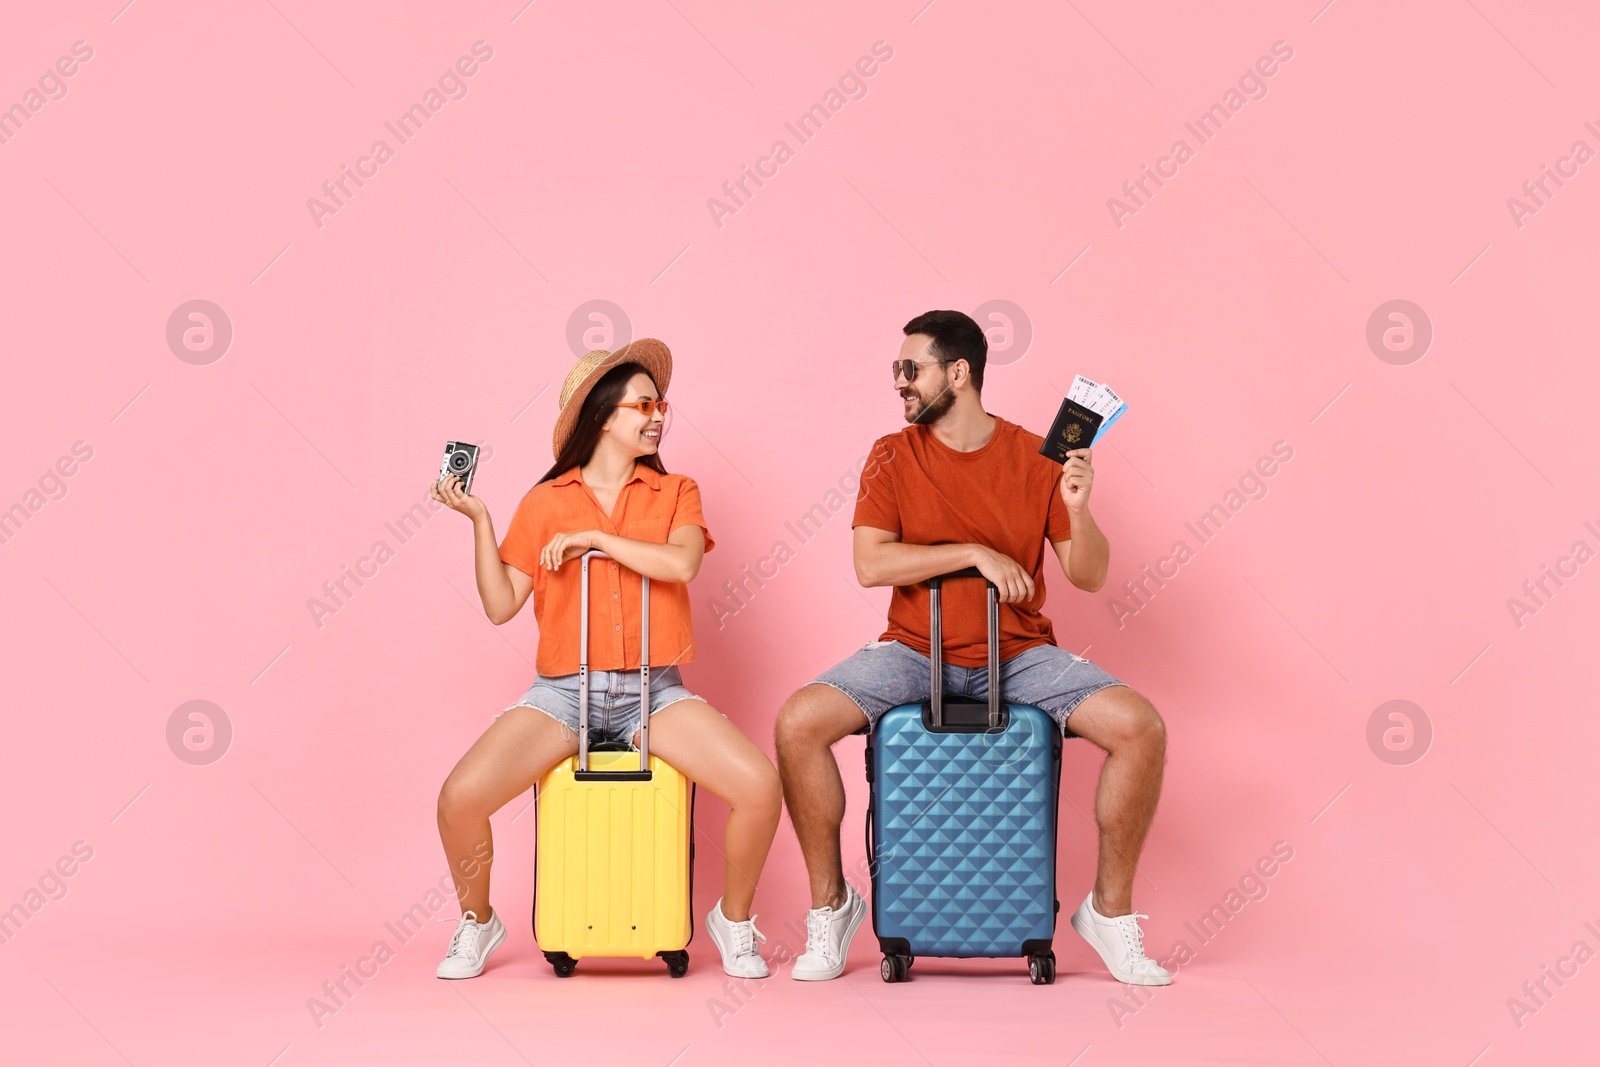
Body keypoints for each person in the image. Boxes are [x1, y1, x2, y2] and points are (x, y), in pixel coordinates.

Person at [773, 310, 1172, 985]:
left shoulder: (1037, 457)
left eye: (912, 369)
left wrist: (1076, 504)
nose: (899, 383)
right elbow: (871, 563)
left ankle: (1109, 912)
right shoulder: (892, 454)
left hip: (1017, 655)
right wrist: (973, 553)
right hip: (913, 651)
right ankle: (831, 906)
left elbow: (1089, 573)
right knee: (797, 722)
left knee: (1142, 727)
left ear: (958, 373)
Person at [431, 339, 783, 981]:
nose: (657, 417)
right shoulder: (544, 502)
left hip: (655, 690)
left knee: (759, 786)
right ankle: (477, 923)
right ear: (601, 415)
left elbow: (681, 564)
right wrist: (479, 519)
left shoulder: (676, 490)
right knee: (459, 797)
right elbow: (502, 603)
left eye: (660, 405)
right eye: (643, 404)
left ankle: (733, 922)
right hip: (564, 693)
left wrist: (596, 539)